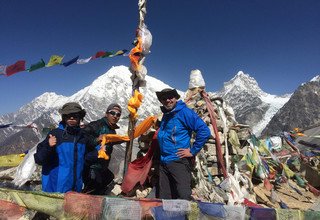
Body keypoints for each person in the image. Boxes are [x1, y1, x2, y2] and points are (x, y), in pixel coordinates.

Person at [156, 88, 211, 200]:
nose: (167, 100)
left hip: (178, 161)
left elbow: (204, 130)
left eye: (170, 97)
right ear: (161, 101)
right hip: (164, 162)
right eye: (164, 98)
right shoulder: (167, 115)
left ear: (176, 98)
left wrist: (192, 151)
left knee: (183, 196)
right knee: (165, 198)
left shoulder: (184, 112)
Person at [34, 102, 87, 193]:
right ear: (64, 117)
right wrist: (48, 146)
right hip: (56, 188)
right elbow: (39, 159)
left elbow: (87, 157)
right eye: (68, 115)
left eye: (75, 115)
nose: (71, 117)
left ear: (80, 117)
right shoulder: (55, 134)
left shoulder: (83, 136)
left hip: (76, 189)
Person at [82, 103, 122, 195]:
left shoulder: (111, 129)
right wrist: (97, 139)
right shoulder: (97, 125)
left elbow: (111, 141)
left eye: (118, 114)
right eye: (112, 113)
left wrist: (126, 139)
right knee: (93, 190)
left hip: (102, 166)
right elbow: (83, 138)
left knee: (109, 177)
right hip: (92, 166)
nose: (115, 116)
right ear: (106, 114)